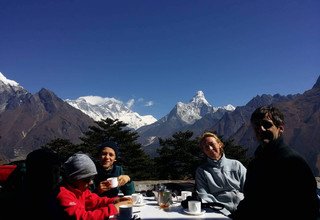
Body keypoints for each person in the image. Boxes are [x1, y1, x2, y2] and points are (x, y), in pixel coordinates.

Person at [230, 106, 319, 220]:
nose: (261, 129)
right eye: (256, 126)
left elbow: (310, 208)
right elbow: (250, 201)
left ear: (280, 128)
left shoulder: (293, 162)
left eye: (267, 124)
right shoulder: (255, 163)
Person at [54, 152, 132, 219]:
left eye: (92, 178)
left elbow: (95, 201)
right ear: (74, 178)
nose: (91, 182)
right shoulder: (63, 195)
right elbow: (83, 217)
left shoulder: (80, 190)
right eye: (87, 179)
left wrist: (115, 200)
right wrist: (113, 208)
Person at [195, 132, 247, 215]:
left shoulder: (236, 165)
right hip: (219, 211)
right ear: (204, 151)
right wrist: (223, 212)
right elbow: (204, 195)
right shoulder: (202, 171)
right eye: (206, 147)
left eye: (212, 144)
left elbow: (250, 187)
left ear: (220, 144)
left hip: (243, 208)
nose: (210, 148)